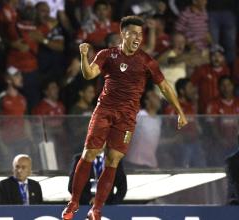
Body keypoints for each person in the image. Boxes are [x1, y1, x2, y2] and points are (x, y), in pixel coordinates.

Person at [61, 15, 188, 220]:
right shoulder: (107, 55)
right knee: (89, 154)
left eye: (140, 33)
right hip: (104, 111)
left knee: (113, 160)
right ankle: (74, 202)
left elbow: (164, 87)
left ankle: (97, 209)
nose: (138, 37)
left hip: (127, 118)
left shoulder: (147, 61)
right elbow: (89, 74)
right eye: (133, 33)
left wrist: (180, 111)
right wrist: (84, 56)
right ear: (123, 34)